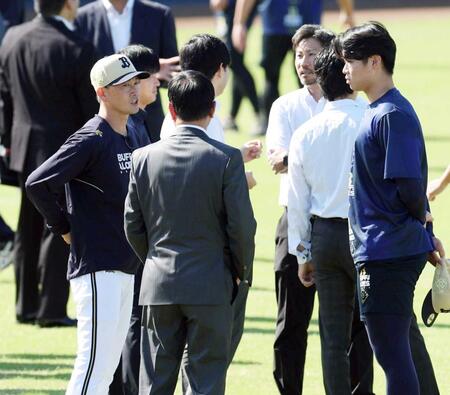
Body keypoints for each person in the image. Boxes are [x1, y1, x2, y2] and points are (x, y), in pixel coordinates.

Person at [124, 70, 256, 395]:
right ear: (212, 110)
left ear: (171, 110)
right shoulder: (226, 159)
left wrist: (154, 259)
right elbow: (242, 226)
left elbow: (132, 223)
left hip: (159, 284)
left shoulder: (142, 158)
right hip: (212, 283)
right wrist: (240, 273)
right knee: (205, 382)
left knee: (154, 383)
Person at [25, 53, 150, 394]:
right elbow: (37, 184)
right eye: (124, 86)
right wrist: (64, 228)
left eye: (135, 82)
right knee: (92, 369)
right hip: (98, 270)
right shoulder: (91, 138)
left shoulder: (134, 133)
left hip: (126, 268)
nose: (134, 91)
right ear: (102, 93)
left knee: (106, 371)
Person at [336, 21, 445, 395]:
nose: (344, 69)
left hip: (388, 250)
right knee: (393, 352)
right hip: (384, 247)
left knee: (392, 355)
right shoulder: (379, 110)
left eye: (350, 61)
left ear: (375, 61)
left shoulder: (389, 115)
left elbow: (410, 187)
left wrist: (423, 226)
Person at [0, 0, 98, 327]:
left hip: (23, 146)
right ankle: (52, 309)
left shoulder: (12, 37)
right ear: (69, 4)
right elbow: (89, 114)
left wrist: (7, 142)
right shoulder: (77, 48)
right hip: (62, 152)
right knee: (59, 228)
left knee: (26, 228)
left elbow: (6, 97)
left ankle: (26, 305)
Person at [287, 46, 367, 394]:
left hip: (325, 237)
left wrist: (302, 255)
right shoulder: (371, 118)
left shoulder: (306, 131)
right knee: (372, 327)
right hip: (365, 233)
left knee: (332, 336)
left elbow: (297, 201)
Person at [265, 24, 333, 395]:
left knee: (347, 322)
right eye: (298, 55)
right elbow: (277, 161)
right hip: (293, 218)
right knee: (290, 323)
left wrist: (299, 158)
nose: (303, 63)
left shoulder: (348, 102)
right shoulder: (285, 106)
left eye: (310, 54)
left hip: (339, 220)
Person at [109, 44, 160, 395]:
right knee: (130, 321)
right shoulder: (126, 125)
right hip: (124, 242)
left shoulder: (138, 121)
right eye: (151, 76)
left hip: (135, 237)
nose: (158, 82)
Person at [232, 0, 355, 133]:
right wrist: (239, 23)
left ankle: (316, 119)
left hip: (306, 27)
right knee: (271, 77)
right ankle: (268, 121)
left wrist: (347, 12)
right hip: (277, 23)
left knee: (314, 76)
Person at [75, 0, 179, 139]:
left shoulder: (159, 14)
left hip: (149, 122)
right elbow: (78, 75)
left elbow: (172, 71)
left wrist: (150, 73)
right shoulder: (81, 18)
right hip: (103, 125)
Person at [209, 0, 263, 134]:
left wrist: (239, 23)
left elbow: (219, 3)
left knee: (233, 62)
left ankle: (259, 114)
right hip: (232, 16)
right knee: (235, 64)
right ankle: (233, 117)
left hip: (237, 15)